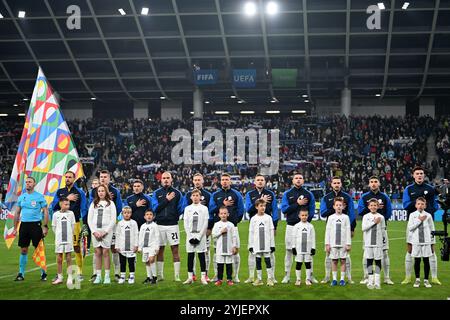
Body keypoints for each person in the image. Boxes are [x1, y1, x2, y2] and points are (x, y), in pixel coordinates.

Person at [402, 166, 440, 285]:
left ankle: (434, 277)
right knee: (410, 249)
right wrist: (419, 203)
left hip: (428, 224)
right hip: (413, 224)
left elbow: (435, 205)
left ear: (424, 175)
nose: (419, 175)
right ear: (413, 175)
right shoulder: (408, 189)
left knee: (432, 250)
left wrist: (428, 210)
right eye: (417, 173)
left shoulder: (430, 189)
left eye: (421, 173)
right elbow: (405, 205)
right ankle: (408, 277)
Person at [51, 170, 87, 282]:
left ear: (74, 178)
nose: (67, 179)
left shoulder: (80, 192)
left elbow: (84, 208)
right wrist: (68, 198)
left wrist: (84, 224)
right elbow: (54, 206)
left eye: (70, 177)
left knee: (76, 247)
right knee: (61, 250)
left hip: (74, 223)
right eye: (66, 177)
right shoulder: (60, 192)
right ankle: (60, 275)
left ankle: (80, 272)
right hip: (61, 225)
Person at [358, 176, 394, 285]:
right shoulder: (364, 197)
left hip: (381, 230)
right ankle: (367, 277)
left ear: (379, 184)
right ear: (369, 184)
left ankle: (386, 277)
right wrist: (372, 208)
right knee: (367, 254)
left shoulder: (384, 197)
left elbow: (388, 212)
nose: (373, 184)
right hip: (369, 232)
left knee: (385, 253)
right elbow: (360, 211)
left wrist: (380, 213)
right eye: (371, 182)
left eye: (375, 182)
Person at [280, 172, 315, 284]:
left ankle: (310, 276)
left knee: (308, 252)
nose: (298, 180)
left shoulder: (309, 194)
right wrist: (297, 203)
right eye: (296, 178)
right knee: (289, 251)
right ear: (293, 181)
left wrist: (305, 223)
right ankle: (287, 275)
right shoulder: (287, 194)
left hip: (304, 227)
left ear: (303, 180)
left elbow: (312, 209)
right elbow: (284, 209)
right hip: (291, 226)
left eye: (300, 178)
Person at [209, 173, 244, 282]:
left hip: (232, 227)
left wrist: (234, 222)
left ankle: (236, 275)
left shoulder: (236, 194)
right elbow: (211, 209)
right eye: (223, 179)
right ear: (220, 181)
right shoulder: (215, 195)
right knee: (217, 251)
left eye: (226, 179)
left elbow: (241, 210)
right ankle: (216, 275)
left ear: (230, 181)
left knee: (235, 250)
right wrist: (222, 204)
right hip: (219, 227)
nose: (224, 181)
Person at [319, 176, 355, 284]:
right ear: (331, 184)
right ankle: (327, 277)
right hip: (332, 230)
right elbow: (323, 213)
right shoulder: (326, 197)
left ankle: (348, 277)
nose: (336, 185)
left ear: (341, 184)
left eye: (338, 183)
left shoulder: (347, 197)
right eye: (334, 183)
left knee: (346, 256)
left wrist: (352, 228)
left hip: (344, 228)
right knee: (329, 255)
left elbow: (352, 213)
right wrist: (334, 207)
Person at [13, 177, 49, 281]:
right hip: (24, 225)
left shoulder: (39, 197)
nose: (28, 184)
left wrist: (45, 226)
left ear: (34, 184)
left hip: (36, 225)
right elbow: (17, 213)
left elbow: (45, 211)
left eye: (30, 182)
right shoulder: (22, 197)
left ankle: (43, 273)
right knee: (23, 250)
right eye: (27, 182)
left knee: (39, 249)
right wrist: (15, 228)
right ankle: (21, 274)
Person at [88, 170, 122, 282]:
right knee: (97, 251)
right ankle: (96, 274)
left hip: (109, 228)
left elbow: (118, 209)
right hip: (96, 229)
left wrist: (107, 230)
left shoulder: (115, 193)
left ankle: (115, 273)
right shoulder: (93, 194)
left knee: (112, 249)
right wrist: (94, 231)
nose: (103, 178)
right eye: (101, 177)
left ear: (109, 178)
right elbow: (90, 215)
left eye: (105, 177)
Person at [245, 174, 279, 284]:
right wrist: (260, 200)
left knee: (270, 253)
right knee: (253, 254)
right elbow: (248, 210)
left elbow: (274, 210)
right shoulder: (250, 194)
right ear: (254, 182)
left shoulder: (270, 194)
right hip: (255, 225)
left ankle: (271, 277)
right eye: (258, 180)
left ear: (265, 182)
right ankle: (252, 276)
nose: (260, 182)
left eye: (262, 180)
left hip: (268, 225)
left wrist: (275, 226)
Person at [151, 171, 184, 281]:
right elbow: (155, 208)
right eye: (164, 178)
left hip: (172, 225)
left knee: (175, 249)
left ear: (171, 179)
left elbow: (180, 209)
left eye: (167, 178)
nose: (165, 180)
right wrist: (166, 199)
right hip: (159, 225)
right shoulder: (156, 193)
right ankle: (160, 275)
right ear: (161, 180)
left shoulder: (177, 193)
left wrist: (173, 217)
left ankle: (177, 276)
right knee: (160, 250)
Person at [182, 173, 212, 282]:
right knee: (190, 256)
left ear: (200, 197)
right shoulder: (187, 209)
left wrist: (199, 236)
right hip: (190, 235)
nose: (195, 197)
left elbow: (205, 223)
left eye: (197, 196)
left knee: (201, 256)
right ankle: (190, 277)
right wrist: (190, 236)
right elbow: (185, 223)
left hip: (201, 235)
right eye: (193, 196)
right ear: (191, 197)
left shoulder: (204, 208)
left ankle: (203, 277)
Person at [407, 197, 436, 288]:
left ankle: (426, 280)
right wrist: (419, 220)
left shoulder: (429, 215)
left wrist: (432, 243)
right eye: (418, 204)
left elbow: (432, 230)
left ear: (425, 205)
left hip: (427, 241)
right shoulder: (412, 215)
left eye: (422, 204)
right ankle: (417, 279)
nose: (420, 205)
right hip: (416, 242)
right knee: (417, 260)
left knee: (426, 261)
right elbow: (410, 228)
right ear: (416, 205)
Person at [248, 199, 275, 287]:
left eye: (264, 206)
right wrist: (251, 245)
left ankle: (270, 278)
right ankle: (259, 279)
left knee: (268, 261)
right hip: (257, 244)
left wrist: (272, 245)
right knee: (258, 261)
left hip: (266, 244)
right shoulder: (253, 219)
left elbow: (271, 232)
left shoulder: (268, 218)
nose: (263, 208)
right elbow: (251, 233)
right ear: (256, 207)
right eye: (261, 206)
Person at [325, 197, 351, 286]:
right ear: (334, 206)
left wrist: (348, 243)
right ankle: (335, 279)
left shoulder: (346, 217)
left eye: (340, 205)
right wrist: (327, 244)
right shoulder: (331, 217)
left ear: (343, 206)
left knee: (343, 260)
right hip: (333, 243)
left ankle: (342, 279)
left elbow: (348, 230)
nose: (339, 207)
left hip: (343, 243)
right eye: (337, 205)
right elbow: (327, 231)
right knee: (334, 261)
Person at [51, 198, 76, 288]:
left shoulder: (71, 214)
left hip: (68, 239)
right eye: (66, 204)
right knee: (59, 258)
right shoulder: (55, 215)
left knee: (69, 257)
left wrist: (69, 234)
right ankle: (60, 277)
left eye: (68, 204)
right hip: (59, 239)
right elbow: (54, 227)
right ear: (61, 204)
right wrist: (59, 235)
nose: (68, 206)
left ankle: (69, 276)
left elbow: (73, 226)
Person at [361, 198, 386, 290]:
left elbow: (383, 230)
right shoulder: (366, 216)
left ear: (378, 206)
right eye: (371, 205)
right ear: (368, 207)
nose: (373, 207)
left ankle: (377, 281)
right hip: (368, 243)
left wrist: (383, 241)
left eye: (375, 205)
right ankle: (370, 280)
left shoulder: (381, 217)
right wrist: (373, 222)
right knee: (369, 261)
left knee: (378, 262)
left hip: (378, 243)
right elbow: (363, 228)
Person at [211, 206, 238, 286]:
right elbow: (213, 235)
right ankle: (220, 279)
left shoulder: (231, 225)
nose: (223, 215)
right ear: (219, 215)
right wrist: (221, 232)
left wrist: (234, 246)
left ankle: (229, 279)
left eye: (225, 213)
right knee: (220, 264)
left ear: (228, 214)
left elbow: (234, 236)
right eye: (221, 213)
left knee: (229, 264)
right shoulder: (216, 224)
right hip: (220, 248)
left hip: (229, 248)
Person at [291, 208, 316, 286]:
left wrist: (313, 248)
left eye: (305, 215)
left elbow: (313, 238)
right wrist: (293, 247)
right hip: (299, 249)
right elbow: (293, 237)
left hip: (308, 249)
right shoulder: (296, 226)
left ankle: (307, 279)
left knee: (308, 264)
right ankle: (298, 279)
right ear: (299, 216)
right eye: (302, 215)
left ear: (308, 216)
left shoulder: (310, 226)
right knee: (298, 264)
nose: (304, 217)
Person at [115, 206, 139, 284]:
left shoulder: (134, 223)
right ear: (122, 214)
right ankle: (122, 276)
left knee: (131, 262)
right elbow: (117, 235)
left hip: (131, 247)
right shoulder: (120, 223)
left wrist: (136, 245)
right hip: (122, 247)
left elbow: (136, 234)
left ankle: (132, 276)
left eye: (128, 213)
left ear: (131, 214)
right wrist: (117, 246)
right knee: (122, 262)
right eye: (125, 213)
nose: (127, 214)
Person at [138, 210, 159, 285]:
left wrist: (157, 248)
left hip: (152, 246)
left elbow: (157, 237)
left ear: (153, 217)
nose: (149, 216)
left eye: (150, 214)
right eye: (147, 214)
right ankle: (149, 277)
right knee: (146, 261)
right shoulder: (143, 226)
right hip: (145, 247)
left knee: (151, 260)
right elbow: (140, 237)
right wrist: (140, 247)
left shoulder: (154, 226)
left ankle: (154, 277)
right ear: (144, 217)